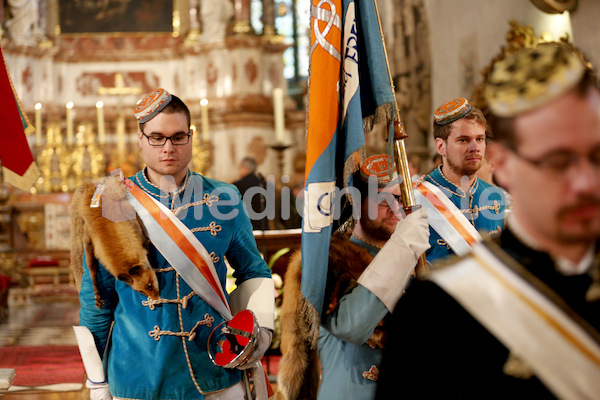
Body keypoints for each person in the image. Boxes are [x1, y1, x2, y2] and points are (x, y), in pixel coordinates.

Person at [377, 42, 600, 399]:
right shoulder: (429, 307)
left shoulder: (498, 198)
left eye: (597, 155)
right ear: (507, 163)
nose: (587, 182)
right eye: (558, 160)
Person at [76, 88, 275, 400]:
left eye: (177, 136)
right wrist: (97, 383)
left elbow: (253, 270)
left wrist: (261, 330)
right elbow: (97, 301)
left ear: (190, 137)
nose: (168, 147)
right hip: (139, 375)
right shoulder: (111, 204)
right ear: (141, 139)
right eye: (157, 137)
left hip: (214, 370)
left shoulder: (225, 198)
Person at [276, 154, 430, 400]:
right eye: (382, 200)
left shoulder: (415, 260)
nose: (395, 209)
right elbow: (352, 326)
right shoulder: (329, 260)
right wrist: (402, 248)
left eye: (400, 199)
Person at [414, 97, 506, 263]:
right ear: (441, 146)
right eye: (463, 140)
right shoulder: (415, 200)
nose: (475, 148)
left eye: (479, 139)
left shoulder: (497, 196)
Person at [233, 156, 269, 231]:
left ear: (245, 168)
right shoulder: (265, 184)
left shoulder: (238, 185)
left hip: (246, 229)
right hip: (264, 228)